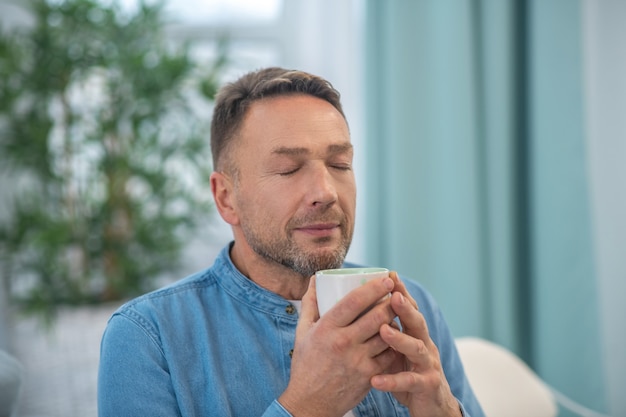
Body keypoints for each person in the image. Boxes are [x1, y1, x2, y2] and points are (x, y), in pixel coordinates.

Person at [98, 67, 484, 417]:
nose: (325, 191)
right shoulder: (147, 338)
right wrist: (310, 405)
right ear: (226, 197)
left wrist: (444, 412)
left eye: (340, 165)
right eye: (288, 169)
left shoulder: (410, 306)